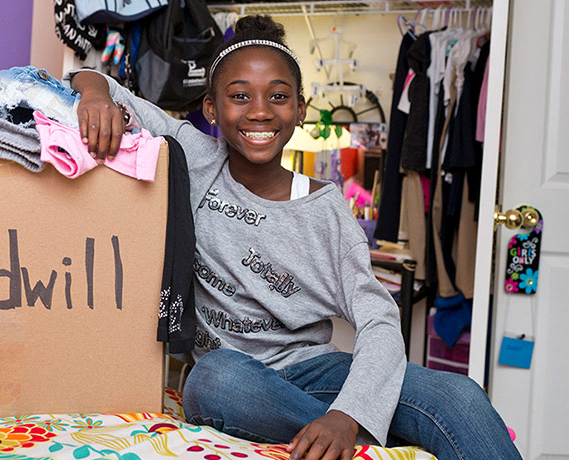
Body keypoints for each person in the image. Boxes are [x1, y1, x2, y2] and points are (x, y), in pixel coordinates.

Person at [66, 15, 521, 460]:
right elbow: (87, 74)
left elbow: (379, 319)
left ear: (300, 109)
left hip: (316, 369)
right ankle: (363, 444)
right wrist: (93, 95)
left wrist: (345, 413)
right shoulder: (196, 156)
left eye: (278, 96)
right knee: (213, 379)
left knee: (458, 394)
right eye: (239, 96)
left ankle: (347, 431)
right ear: (211, 109)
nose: (260, 110)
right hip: (236, 377)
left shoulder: (325, 209)